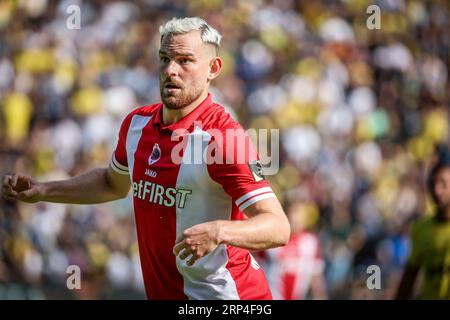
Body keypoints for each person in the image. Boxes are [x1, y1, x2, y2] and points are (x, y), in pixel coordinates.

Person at [2, 17, 290, 300]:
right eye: (164, 58)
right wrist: (42, 191)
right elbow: (111, 183)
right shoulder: (136, 124)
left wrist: (219, 231)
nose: (170, 70)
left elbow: (278, 227)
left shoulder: (223, 139)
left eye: (185, 60)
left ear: (212, 69)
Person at [396, 150, 450, 299]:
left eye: (443, 184)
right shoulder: (421, 229)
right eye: (434, 184)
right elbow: (409, 276)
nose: (437, 190)